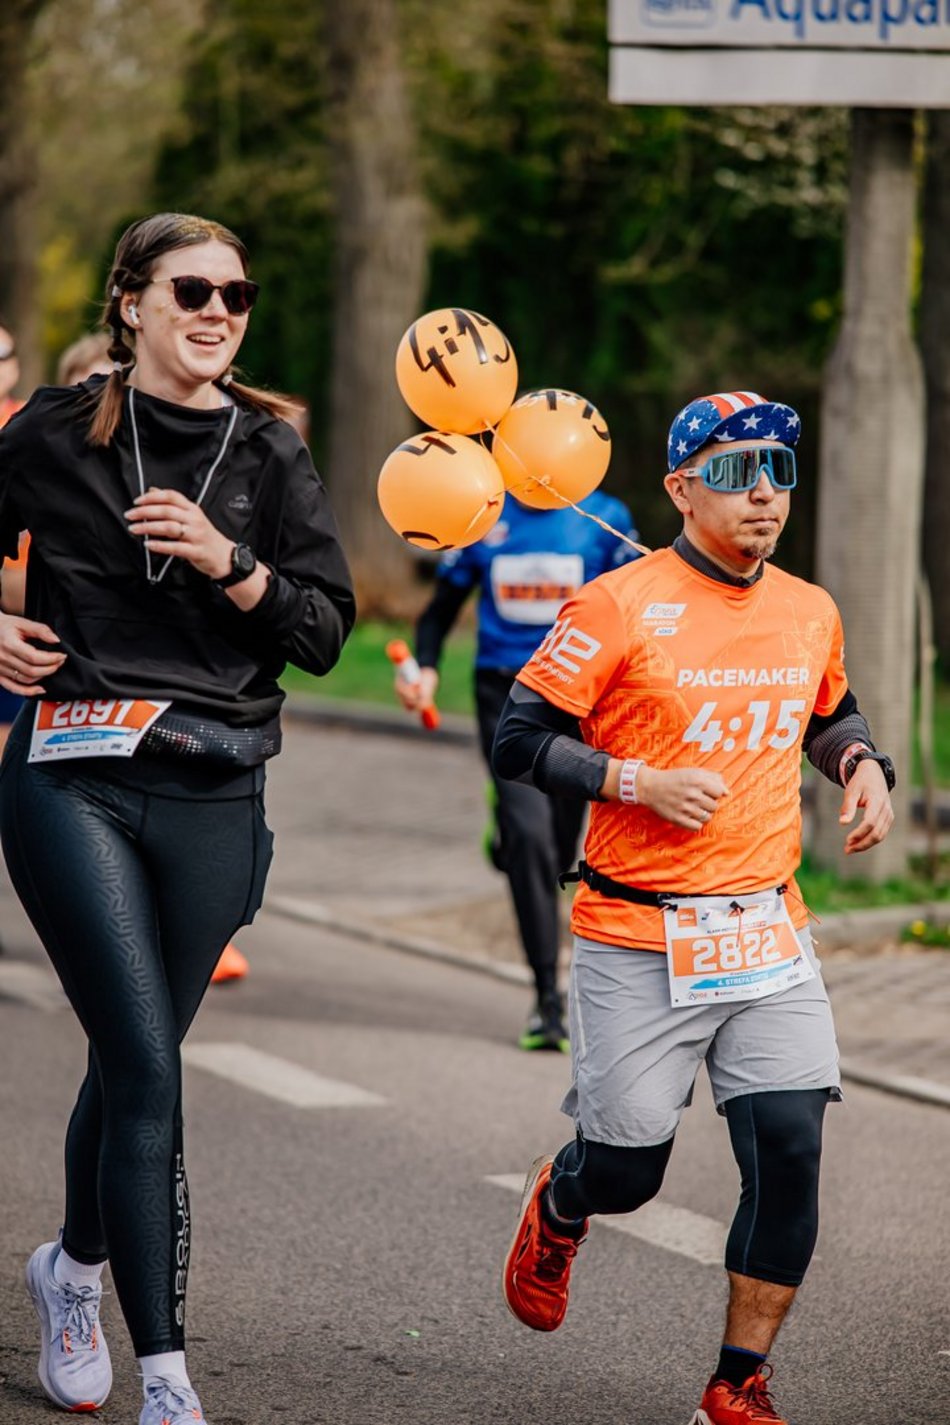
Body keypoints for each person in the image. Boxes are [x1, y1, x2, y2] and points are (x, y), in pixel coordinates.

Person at [0, 212, 355, 1425]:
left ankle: (73, 1267)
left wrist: (225, 561)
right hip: (69, 774)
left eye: (237, 295)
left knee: (129, 1057)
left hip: (215, 784)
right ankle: (167, 1379)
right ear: (131, 305)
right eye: (192, 289)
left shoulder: (269, 453)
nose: (217, 311)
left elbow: (320, 632)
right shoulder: (52, 434)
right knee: (147, 1065)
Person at [493, 391, 895, 1424]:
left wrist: (858, 763)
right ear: (678, 487)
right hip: (637, 931)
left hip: (764, 925)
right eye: (732, 472)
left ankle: (738, 1379)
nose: (761, 493)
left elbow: (826, 708)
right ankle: (564, 1200)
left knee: (791, 1152)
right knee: (628, 1168)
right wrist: (632, 782)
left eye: (776, 473)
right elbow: (518, 738)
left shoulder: (808, 607)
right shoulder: (613, 605)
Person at [396, 485, 640, 1051]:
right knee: (531, 837)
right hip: (505, 694)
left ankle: (508, 831)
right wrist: (425, 669)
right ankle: (547, 999)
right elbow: (438, 611)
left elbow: (639, 610)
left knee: (558, 850)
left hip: (582, 700)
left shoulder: (605, 517)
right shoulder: (483, 515)